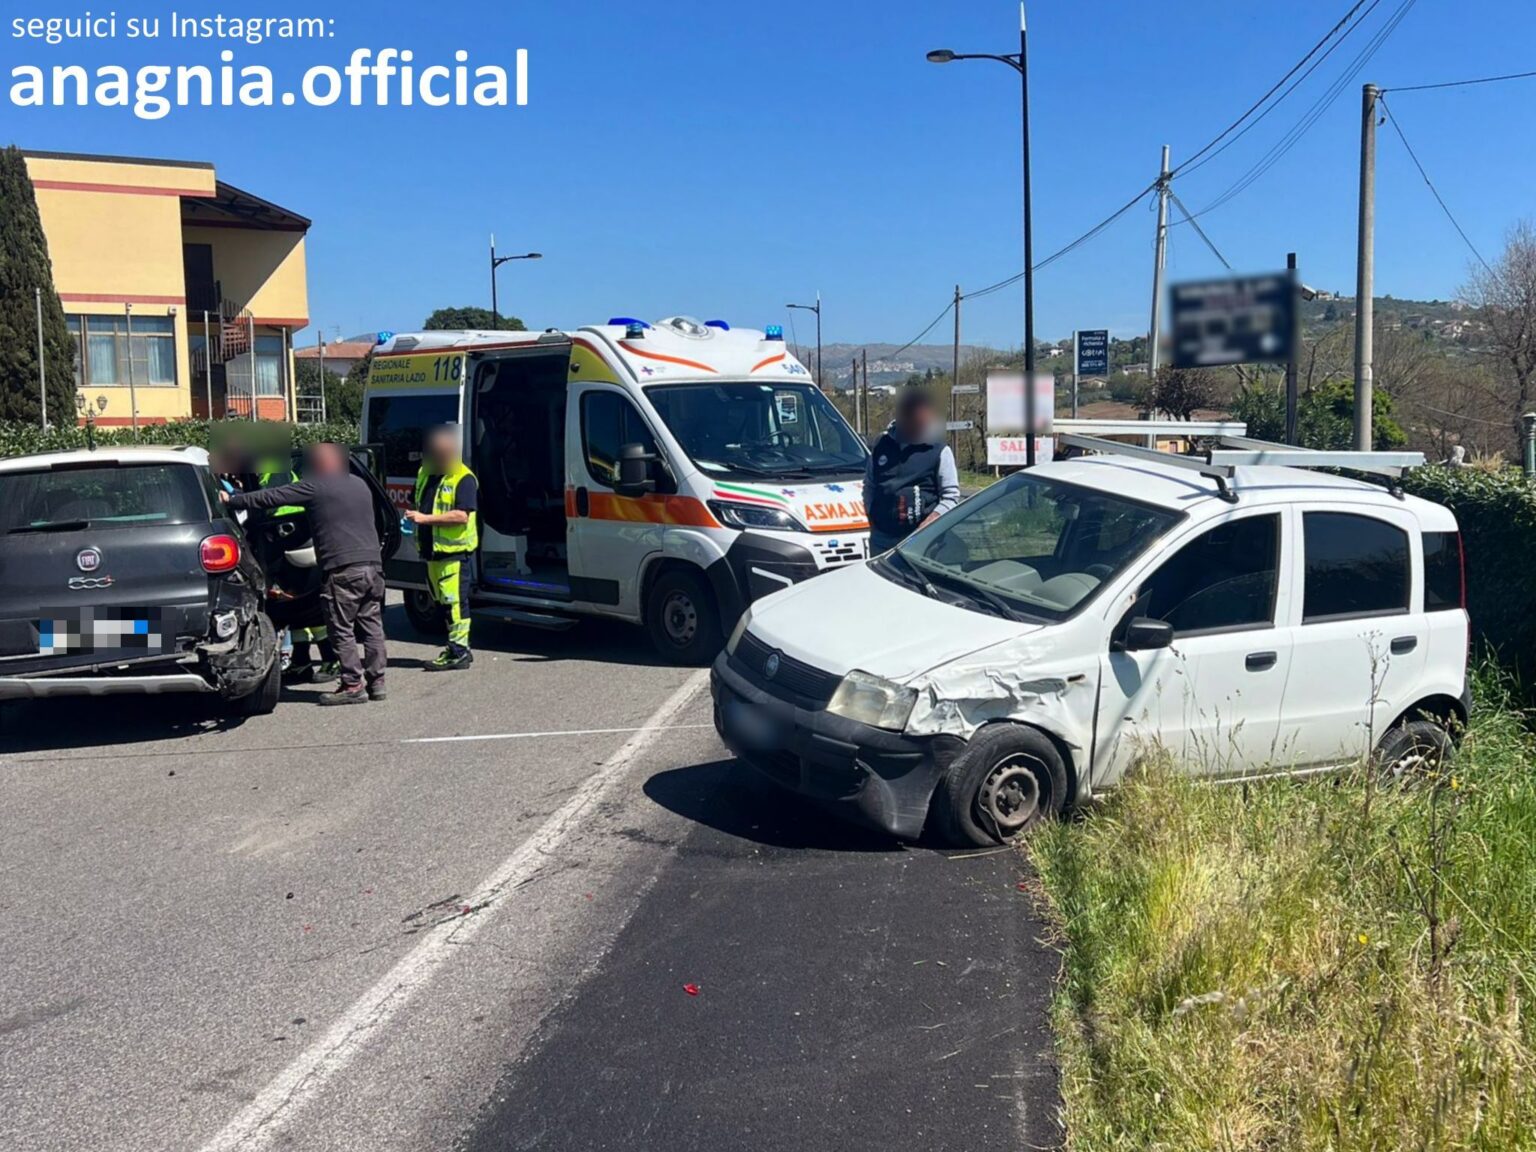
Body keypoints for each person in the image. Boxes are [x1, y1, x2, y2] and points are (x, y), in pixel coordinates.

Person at [222, 443, 388, 706]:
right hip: (373, 567)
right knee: (372, 627)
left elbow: (271, 497)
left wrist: (231, 500)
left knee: (341, 628)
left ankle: (352, 685)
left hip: (342, 570)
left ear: (320, 464)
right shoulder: (360, 484)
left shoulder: (316, 486)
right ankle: (377, 683)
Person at [406, 426, 480, 672]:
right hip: (431, 552)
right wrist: (410, 518)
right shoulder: (425, 472)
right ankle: (458, 647)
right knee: (441, 602)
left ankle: (458, 652)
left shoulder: (463, 478)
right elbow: (415, 501)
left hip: (453, 554)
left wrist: (424, 519)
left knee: (454, 604)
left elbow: (461, 515)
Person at [863, 387, 961, 554]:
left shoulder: (939, 451)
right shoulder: (881, 445)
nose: (919, 427)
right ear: (902, 417)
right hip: (881, 540)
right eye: (915, 422)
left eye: (923, 422)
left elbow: (951, 497)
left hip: (923, 543)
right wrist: (872, 516)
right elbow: (869, 486)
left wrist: (927, 526)